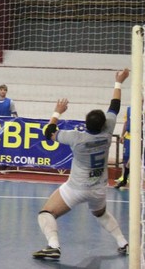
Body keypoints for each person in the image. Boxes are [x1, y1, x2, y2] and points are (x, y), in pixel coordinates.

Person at [33, 69, 130, 259]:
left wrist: (57, 112)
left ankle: (53, 246)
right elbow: (115, 106)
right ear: (104, 124)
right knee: (101, 213)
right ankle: (123, 242)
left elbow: (48, 132)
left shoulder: (76, 138)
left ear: (86, 125)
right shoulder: (108, 130)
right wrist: (119, 82)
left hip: (76, 188)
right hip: (99, 188)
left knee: (46, 213)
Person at [114, 104, 145, 189]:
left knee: (144, 158)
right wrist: (122, 135)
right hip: (130, 137)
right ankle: (124, 178)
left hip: (141, 139)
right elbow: (126, 122)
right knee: (127, 159)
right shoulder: (129, 109)